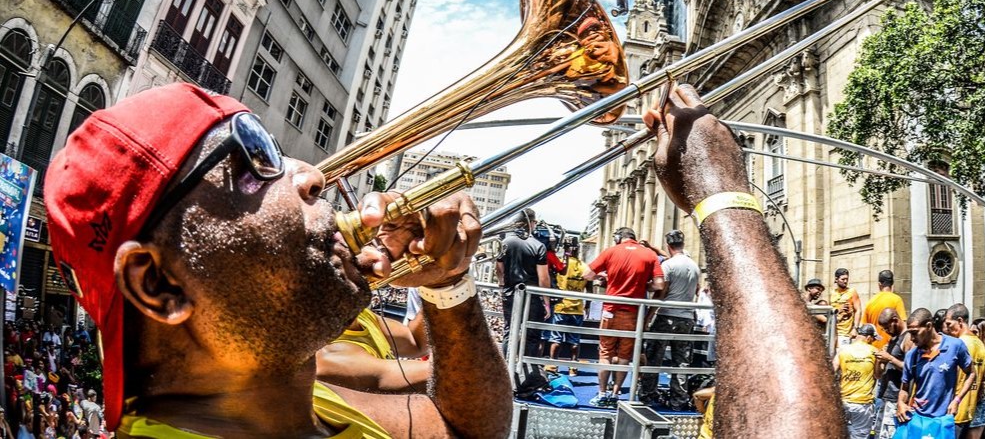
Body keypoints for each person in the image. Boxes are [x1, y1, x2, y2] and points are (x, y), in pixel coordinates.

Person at [43, 83, 513, 438]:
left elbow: (464, 430)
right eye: (254, 160)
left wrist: (449, 282)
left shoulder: (302, 399)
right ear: (159, 285)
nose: (311, 174)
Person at [643, 84, 845, 435]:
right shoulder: (689, 264)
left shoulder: (672, 265)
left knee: (658, 359)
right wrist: (721, 186)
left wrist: (714, 191)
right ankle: (673, 392)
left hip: (669, 319)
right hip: (687, 320)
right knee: (678, 361)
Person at [582, 226, 665, 407]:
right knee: (625, 355)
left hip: (610, 310)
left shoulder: (611, 251)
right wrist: (643, 285)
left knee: (605, 352)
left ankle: (602, 393)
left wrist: (606, 276)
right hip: (634, 312)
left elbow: (586, 274)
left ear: (619, 238)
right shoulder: (649, 255)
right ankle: (616, 393)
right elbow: (659, 285)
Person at [638, 229, 700, 410]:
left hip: (666, 315)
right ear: (683, 244)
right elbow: (696, 291)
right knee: (681, 361)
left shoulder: (668, 265)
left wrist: (648, 318)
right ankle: (678, 400)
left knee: (654, 357)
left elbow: (660, 293)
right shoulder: (694, 266)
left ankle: (647, 396)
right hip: (687, 317)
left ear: (668, 245)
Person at [495, 208, 550, 391]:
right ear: (531, 223)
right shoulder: (538, 245)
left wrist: (503, 284)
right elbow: (543, 278)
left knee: (509, 332)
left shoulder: (505, 242)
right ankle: (526, 378)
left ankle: (502, 374)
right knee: (531, 336)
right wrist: (547, 301)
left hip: (510, 293)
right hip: (531, 296)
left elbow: (499, 268)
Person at [896, 308, 974, 439]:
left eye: (915, 333)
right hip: (917, 420)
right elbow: (904, 389)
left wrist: (957, 400)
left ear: (928, 326)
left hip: (943, 421)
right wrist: (900, 403)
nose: (912, 338)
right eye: (910, 333)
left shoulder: (955, 345)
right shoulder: (912, 356)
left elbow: (971, 373)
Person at [316, 307, 430, 393]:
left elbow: (416, 344)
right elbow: (434, 376)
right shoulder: (329, 356)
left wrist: (435, 289)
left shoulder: (361, 315)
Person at [943, 304, 985, 438]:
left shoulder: (959, 344)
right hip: (969, 409)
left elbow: (950, 374)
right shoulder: (980, 343)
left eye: (949, 324)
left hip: (952, 410)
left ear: (960, 321)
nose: (948, 328)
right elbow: (984, 375)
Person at [545, 238, 587, 375]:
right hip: (577, 307)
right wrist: (588, 306)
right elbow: (590, 287)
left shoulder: (561, 265)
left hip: (560, 306)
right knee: (574, 340)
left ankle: (552, 365)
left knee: (555, 338)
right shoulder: (584, 266)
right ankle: (573, 368)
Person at [834, 323, 880, 439]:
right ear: (869, 337)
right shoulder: (874, 351)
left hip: (843, 401)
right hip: (862, 404)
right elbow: (878, 375)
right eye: (873, 339)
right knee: (859, 436)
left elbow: (832, 371)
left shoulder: (843, 350)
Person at [874, 307, 913, 439]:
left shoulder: (908, 338)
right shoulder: (893, 339)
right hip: (885, 396)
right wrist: (880, 361)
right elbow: (878, 374)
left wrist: (890, 358)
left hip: (896, 398)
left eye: (886, 328)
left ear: (894, 321)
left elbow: (910, 370)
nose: (885, 331)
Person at [861, 270, 907, 350]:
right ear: (892, 284)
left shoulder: (870, 302)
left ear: (879, 284)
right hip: (891, 348)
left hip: (873, 349)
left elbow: (864, 327)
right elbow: (903, 325)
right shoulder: (897, 300)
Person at [830, 268, 863, 347]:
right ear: (836, 279)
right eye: (843, 279)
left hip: (845, 333)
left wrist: (855, 328)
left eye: (847, 279)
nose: (845, 281)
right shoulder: (832, 293)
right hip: (833, 331)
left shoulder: (851, 292)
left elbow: (858, 310)